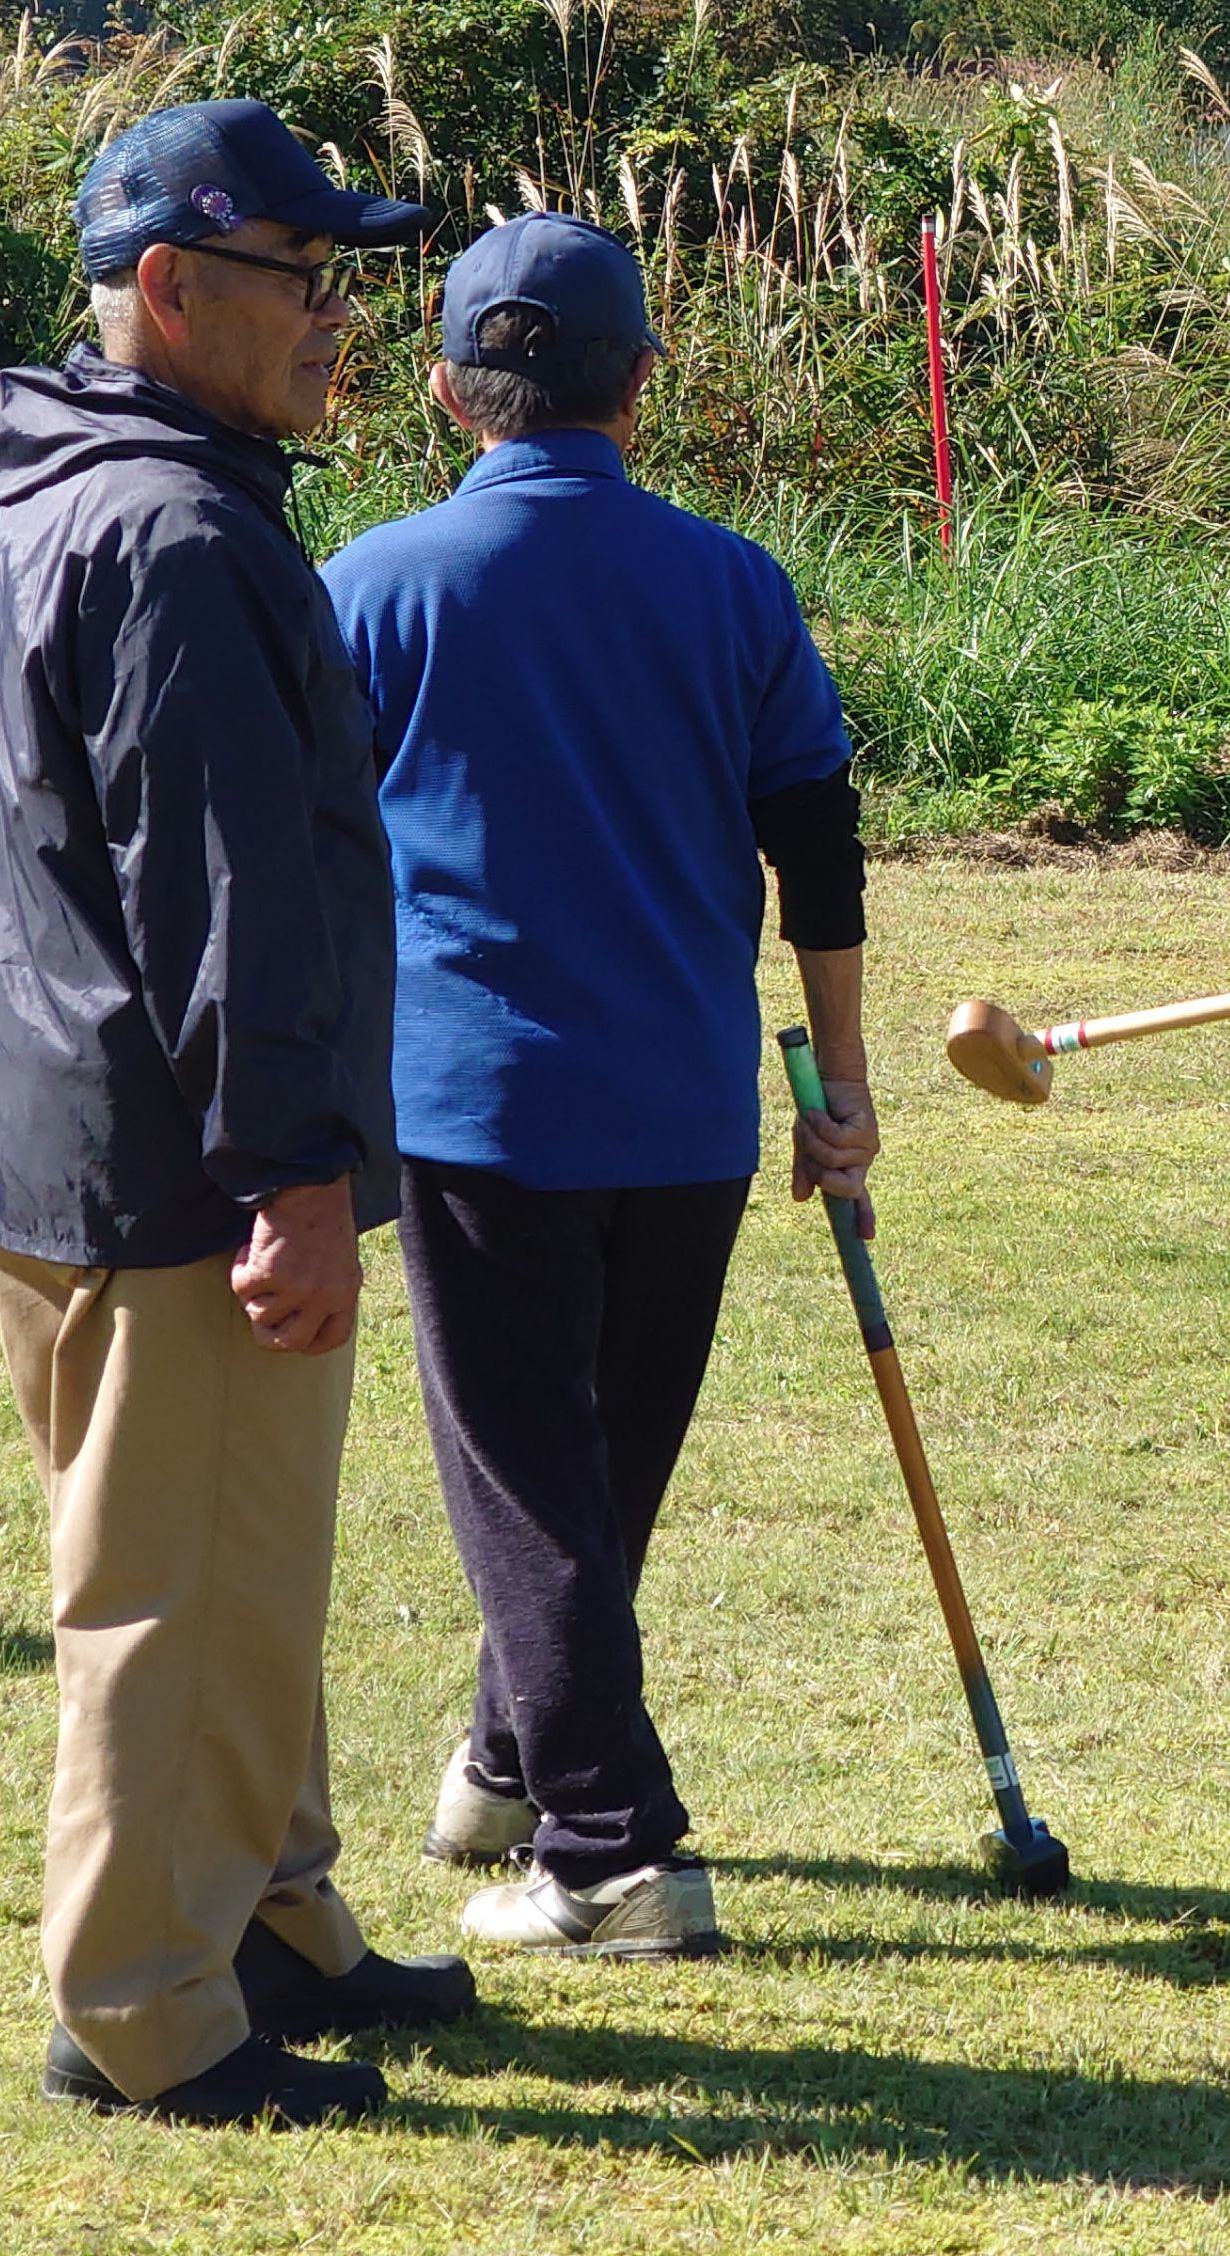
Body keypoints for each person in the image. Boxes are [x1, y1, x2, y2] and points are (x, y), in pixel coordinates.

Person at [0, 98, 473, 2128]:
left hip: (63, 1138)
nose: (341, 319)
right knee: (168, 1588)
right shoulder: (168, 529)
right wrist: (290, 1173)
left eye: (349, 277)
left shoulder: (48, 495)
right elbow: (224, 888)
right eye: (302, 279)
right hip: (171, 1172)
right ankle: (147, 2008)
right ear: (169, 289)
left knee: (245, 1561)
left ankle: (262, 1910)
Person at [323, 215, 879, 1961]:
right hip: (686, 1109)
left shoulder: (372, 584)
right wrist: (839, 1083)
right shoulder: (732, 582)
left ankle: (613, 1851)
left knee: (534, 1489)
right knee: (596, 1479)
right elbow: (821, 843)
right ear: (643, 382)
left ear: (442, 388)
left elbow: (305, 858)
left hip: (480, 1107)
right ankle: (506, 1749)